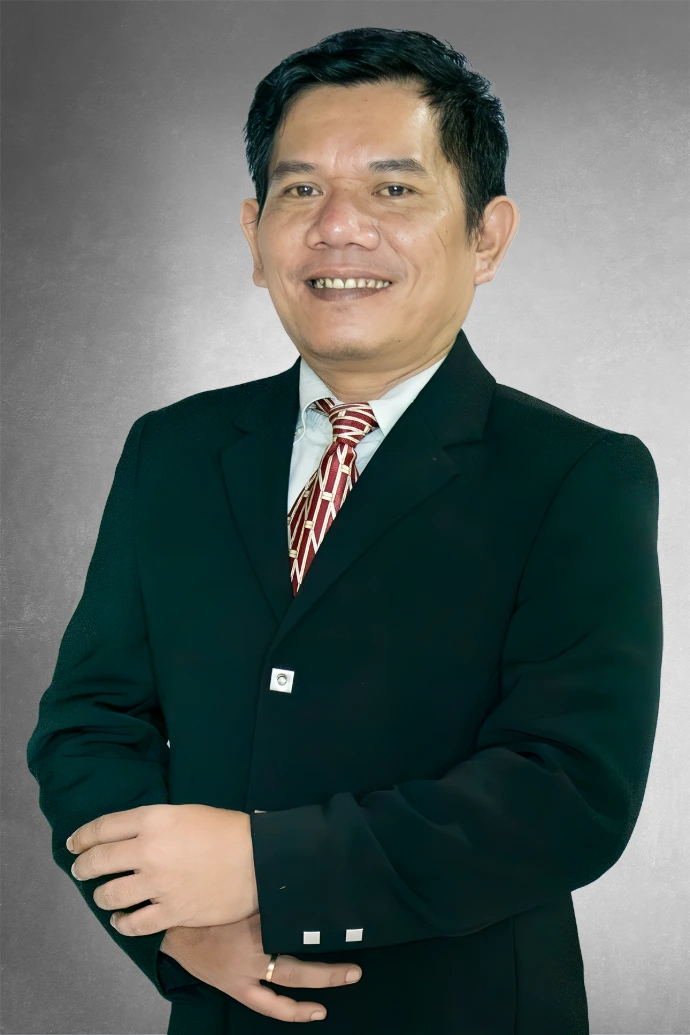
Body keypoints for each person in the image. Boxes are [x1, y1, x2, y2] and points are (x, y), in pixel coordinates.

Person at [26, 26, 663, 1035]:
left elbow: (569, 792)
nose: (337, 228)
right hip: (223, 1013)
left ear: (487, 236)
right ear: (255, 234)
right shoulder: (174, 452)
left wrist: (263, 866)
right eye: (300, 190)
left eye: (393, 188)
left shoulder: (576, 476)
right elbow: (89, 725)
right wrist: (173, 929)